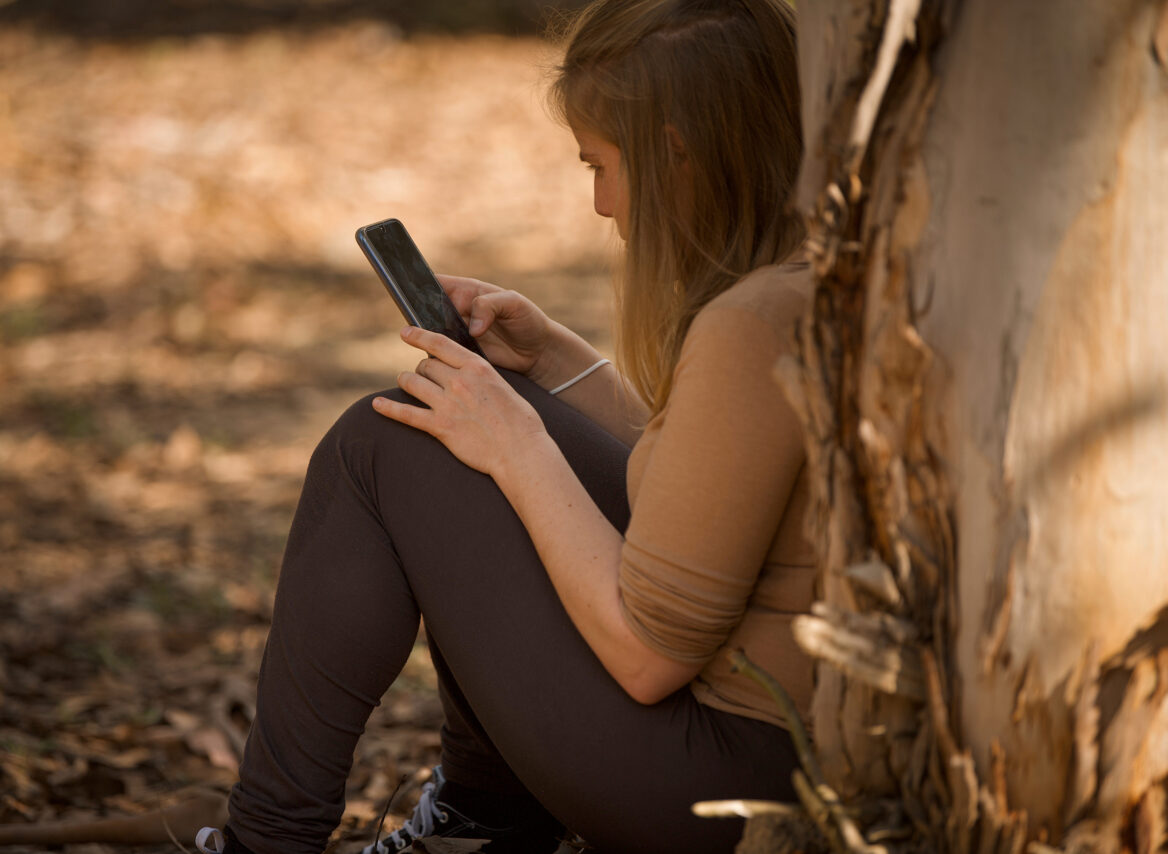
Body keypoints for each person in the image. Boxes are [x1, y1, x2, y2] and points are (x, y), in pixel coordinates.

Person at [208, 0, 812, 851]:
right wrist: (561, 368)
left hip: (720, 792)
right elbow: (716, 504)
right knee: (472, 424)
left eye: (602, 164)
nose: (601, 204)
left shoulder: (749, 328)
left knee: (383, 443)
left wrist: (518, 446)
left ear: (680, 154)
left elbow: (647, 656)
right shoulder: (816, 283)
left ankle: (267, 842)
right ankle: (483, 826)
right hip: (774, 755)